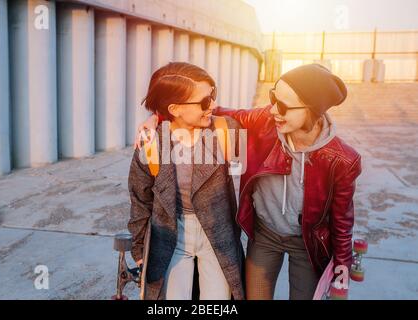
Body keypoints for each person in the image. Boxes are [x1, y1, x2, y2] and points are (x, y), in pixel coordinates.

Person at [136, 64, 362, 300]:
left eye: (283, 106)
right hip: (265, 235)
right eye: (273, 98)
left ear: (312, 110)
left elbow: (342, 222)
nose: (273, 110)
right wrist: (158, 116)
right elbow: (201, 107)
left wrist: (341, 273)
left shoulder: (343, 159)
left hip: (306, 243)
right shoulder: (264, 121)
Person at [127, 62, 245, 300]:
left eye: (212, 96)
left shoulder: (226, 131)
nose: (212, 105)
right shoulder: (152, 143)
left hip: (217, 236)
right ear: (175, 109)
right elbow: (140, 198)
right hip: (171, 233)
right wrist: (139, 248)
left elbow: (264, 119)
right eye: (204, 102)